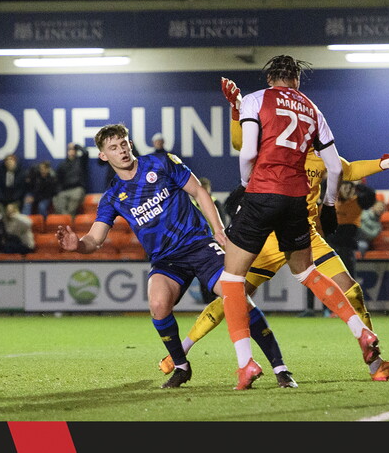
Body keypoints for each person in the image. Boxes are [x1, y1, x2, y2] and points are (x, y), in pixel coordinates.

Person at [160, 70, 389, 383]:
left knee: (350, 289)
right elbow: (239, 141)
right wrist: (235, 110)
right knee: (234, 296)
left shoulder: (317, 153)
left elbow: (348, 170)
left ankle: (375, 365)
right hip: (268, 236)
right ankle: (181, 352)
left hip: (304, 233)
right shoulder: (272, 145)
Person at [56, 123, 292, 389]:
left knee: (235, 296)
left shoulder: (160, 163)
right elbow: (95, 240)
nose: (121, 150)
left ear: (130, 144)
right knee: (158, 305)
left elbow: (199, 191)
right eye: (113, 147)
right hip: (166, 259)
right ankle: (181, 366)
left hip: (198, 244)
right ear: (103, 156)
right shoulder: (112, 197)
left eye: (123, 144)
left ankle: (279, 367)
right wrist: (77, 245)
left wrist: (217, 230)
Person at [53, 142, 90, 216]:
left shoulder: (80, 161)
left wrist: (76, 146)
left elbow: (85, 152)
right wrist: (59, 191)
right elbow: (58, 179)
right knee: (58, 203)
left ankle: (69, 220)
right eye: (70, 150)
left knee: (71, 209)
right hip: (64, 190)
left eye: (73, 150)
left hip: (77, 189)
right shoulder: (62, 164)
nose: (71, 151)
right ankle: (65, 220)